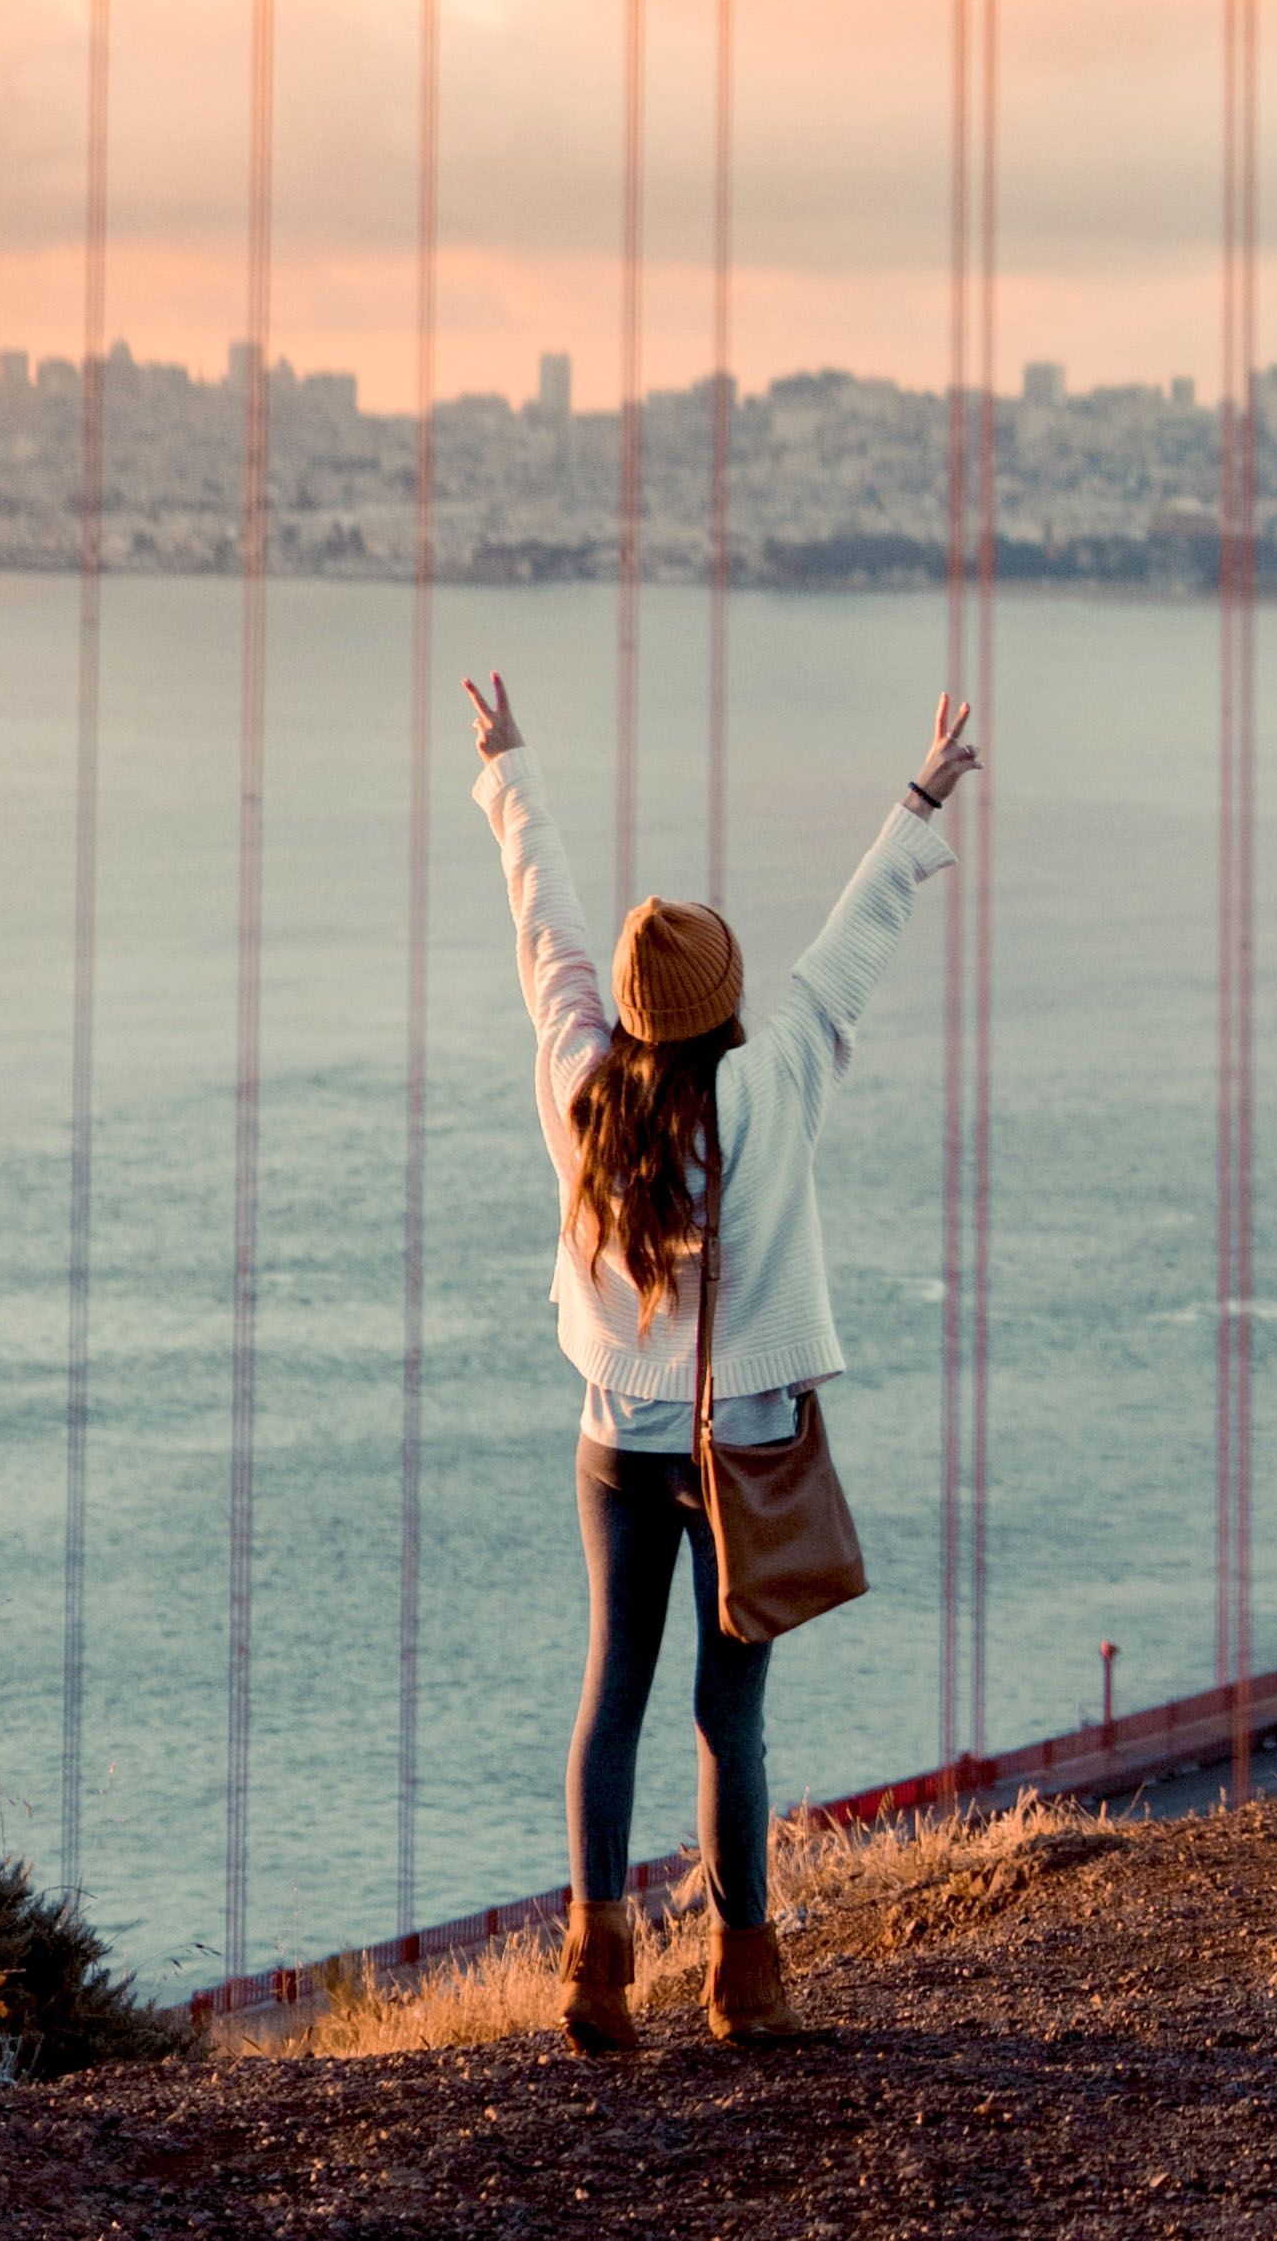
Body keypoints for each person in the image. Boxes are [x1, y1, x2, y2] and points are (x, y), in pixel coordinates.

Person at [464, 665, 980, 2055]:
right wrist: (919, 797)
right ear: (723, 1008)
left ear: (631, 1015)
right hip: (740, 1443)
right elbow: (853, 938)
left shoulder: (581, 1081)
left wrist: (512, 772)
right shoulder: (772, 1081)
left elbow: (549, 938)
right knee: (726, 1715)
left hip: (612, 1448)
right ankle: (744, 1979)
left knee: (610, 1701)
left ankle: (593, 1970)